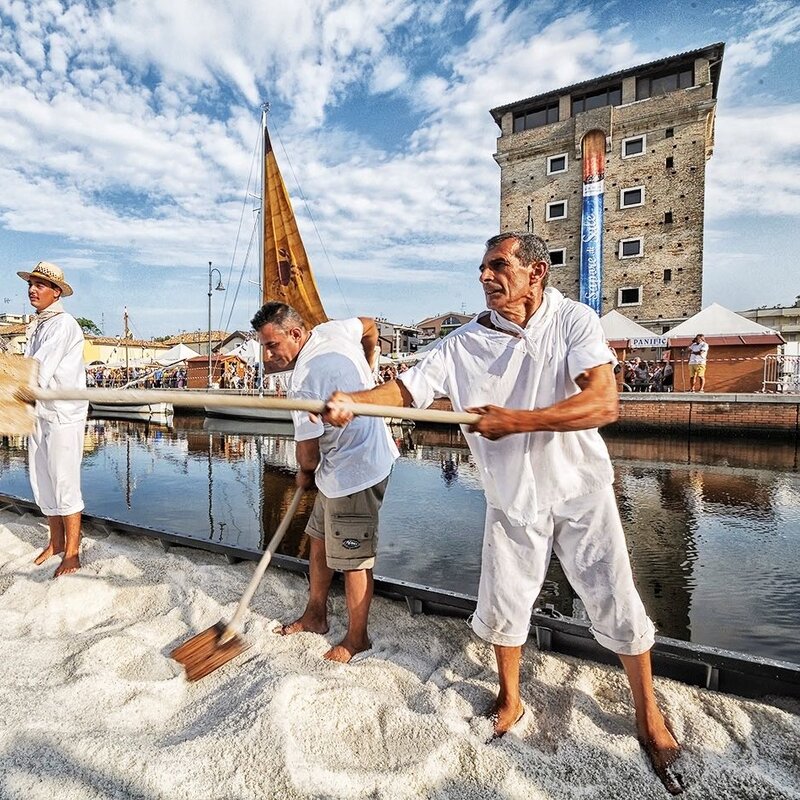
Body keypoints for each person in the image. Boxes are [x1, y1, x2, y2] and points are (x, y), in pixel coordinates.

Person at [323, 233, 684, 794]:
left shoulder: (574, 320)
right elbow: (407, 389)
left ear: (536, 271)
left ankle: (648, 715)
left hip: (580, 490)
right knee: (504, 602)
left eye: (498, 266)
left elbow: (603, 402)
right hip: (511, 495)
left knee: (615, 596)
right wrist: (357, 401)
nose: (487, 277)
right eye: (483, 269)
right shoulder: (461, 342)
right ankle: (511, 700)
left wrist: (516, 420)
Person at [251, 302, 399, 663]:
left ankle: (357, 638)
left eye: (272, 345)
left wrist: (303, 473)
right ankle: (316, 616)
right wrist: (369, 361)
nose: (267, 354)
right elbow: (369, 324)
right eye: (263, 346)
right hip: (337, 470)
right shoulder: (331, 330)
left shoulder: (302, 382)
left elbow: (307, 457)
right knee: (317, 539)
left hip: (357, 469)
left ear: (296, 334)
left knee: (353, 559)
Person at [17, 262, 88, 577]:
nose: (33, 289)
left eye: (40, 285)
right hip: (41, 411)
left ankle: (72, 550)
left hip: (63, 413)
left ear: (56, 292)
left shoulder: (62, 324)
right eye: (31, 284)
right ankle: (56, 542)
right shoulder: (40, 324)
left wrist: (10, 385)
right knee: (42, 477)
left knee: (64, 478)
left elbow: (39, 370)